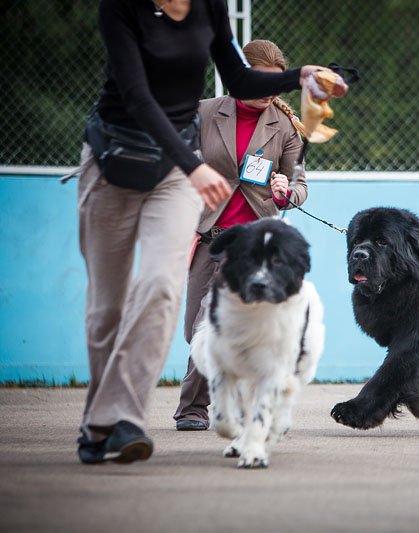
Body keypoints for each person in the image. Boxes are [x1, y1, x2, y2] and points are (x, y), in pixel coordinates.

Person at [76, 0, 346, 464]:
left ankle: (124, 420)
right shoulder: (123, 9)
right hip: (118, 158)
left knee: (162, 291)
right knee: (109, 308)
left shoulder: (211, 11)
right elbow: (138, 97)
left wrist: (302, 75)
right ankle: (98, 421)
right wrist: (194, 166)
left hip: (212, 209)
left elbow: (242, 80)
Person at [172, 39, 309, 431]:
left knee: (210, 322)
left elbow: (300, 185)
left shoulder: (285, 127)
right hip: (206, 237)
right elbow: (176, 168)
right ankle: (224, 395)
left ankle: (194, 408)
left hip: (254, 244)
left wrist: (288, 191)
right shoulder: (203, 113)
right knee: (194, 330)